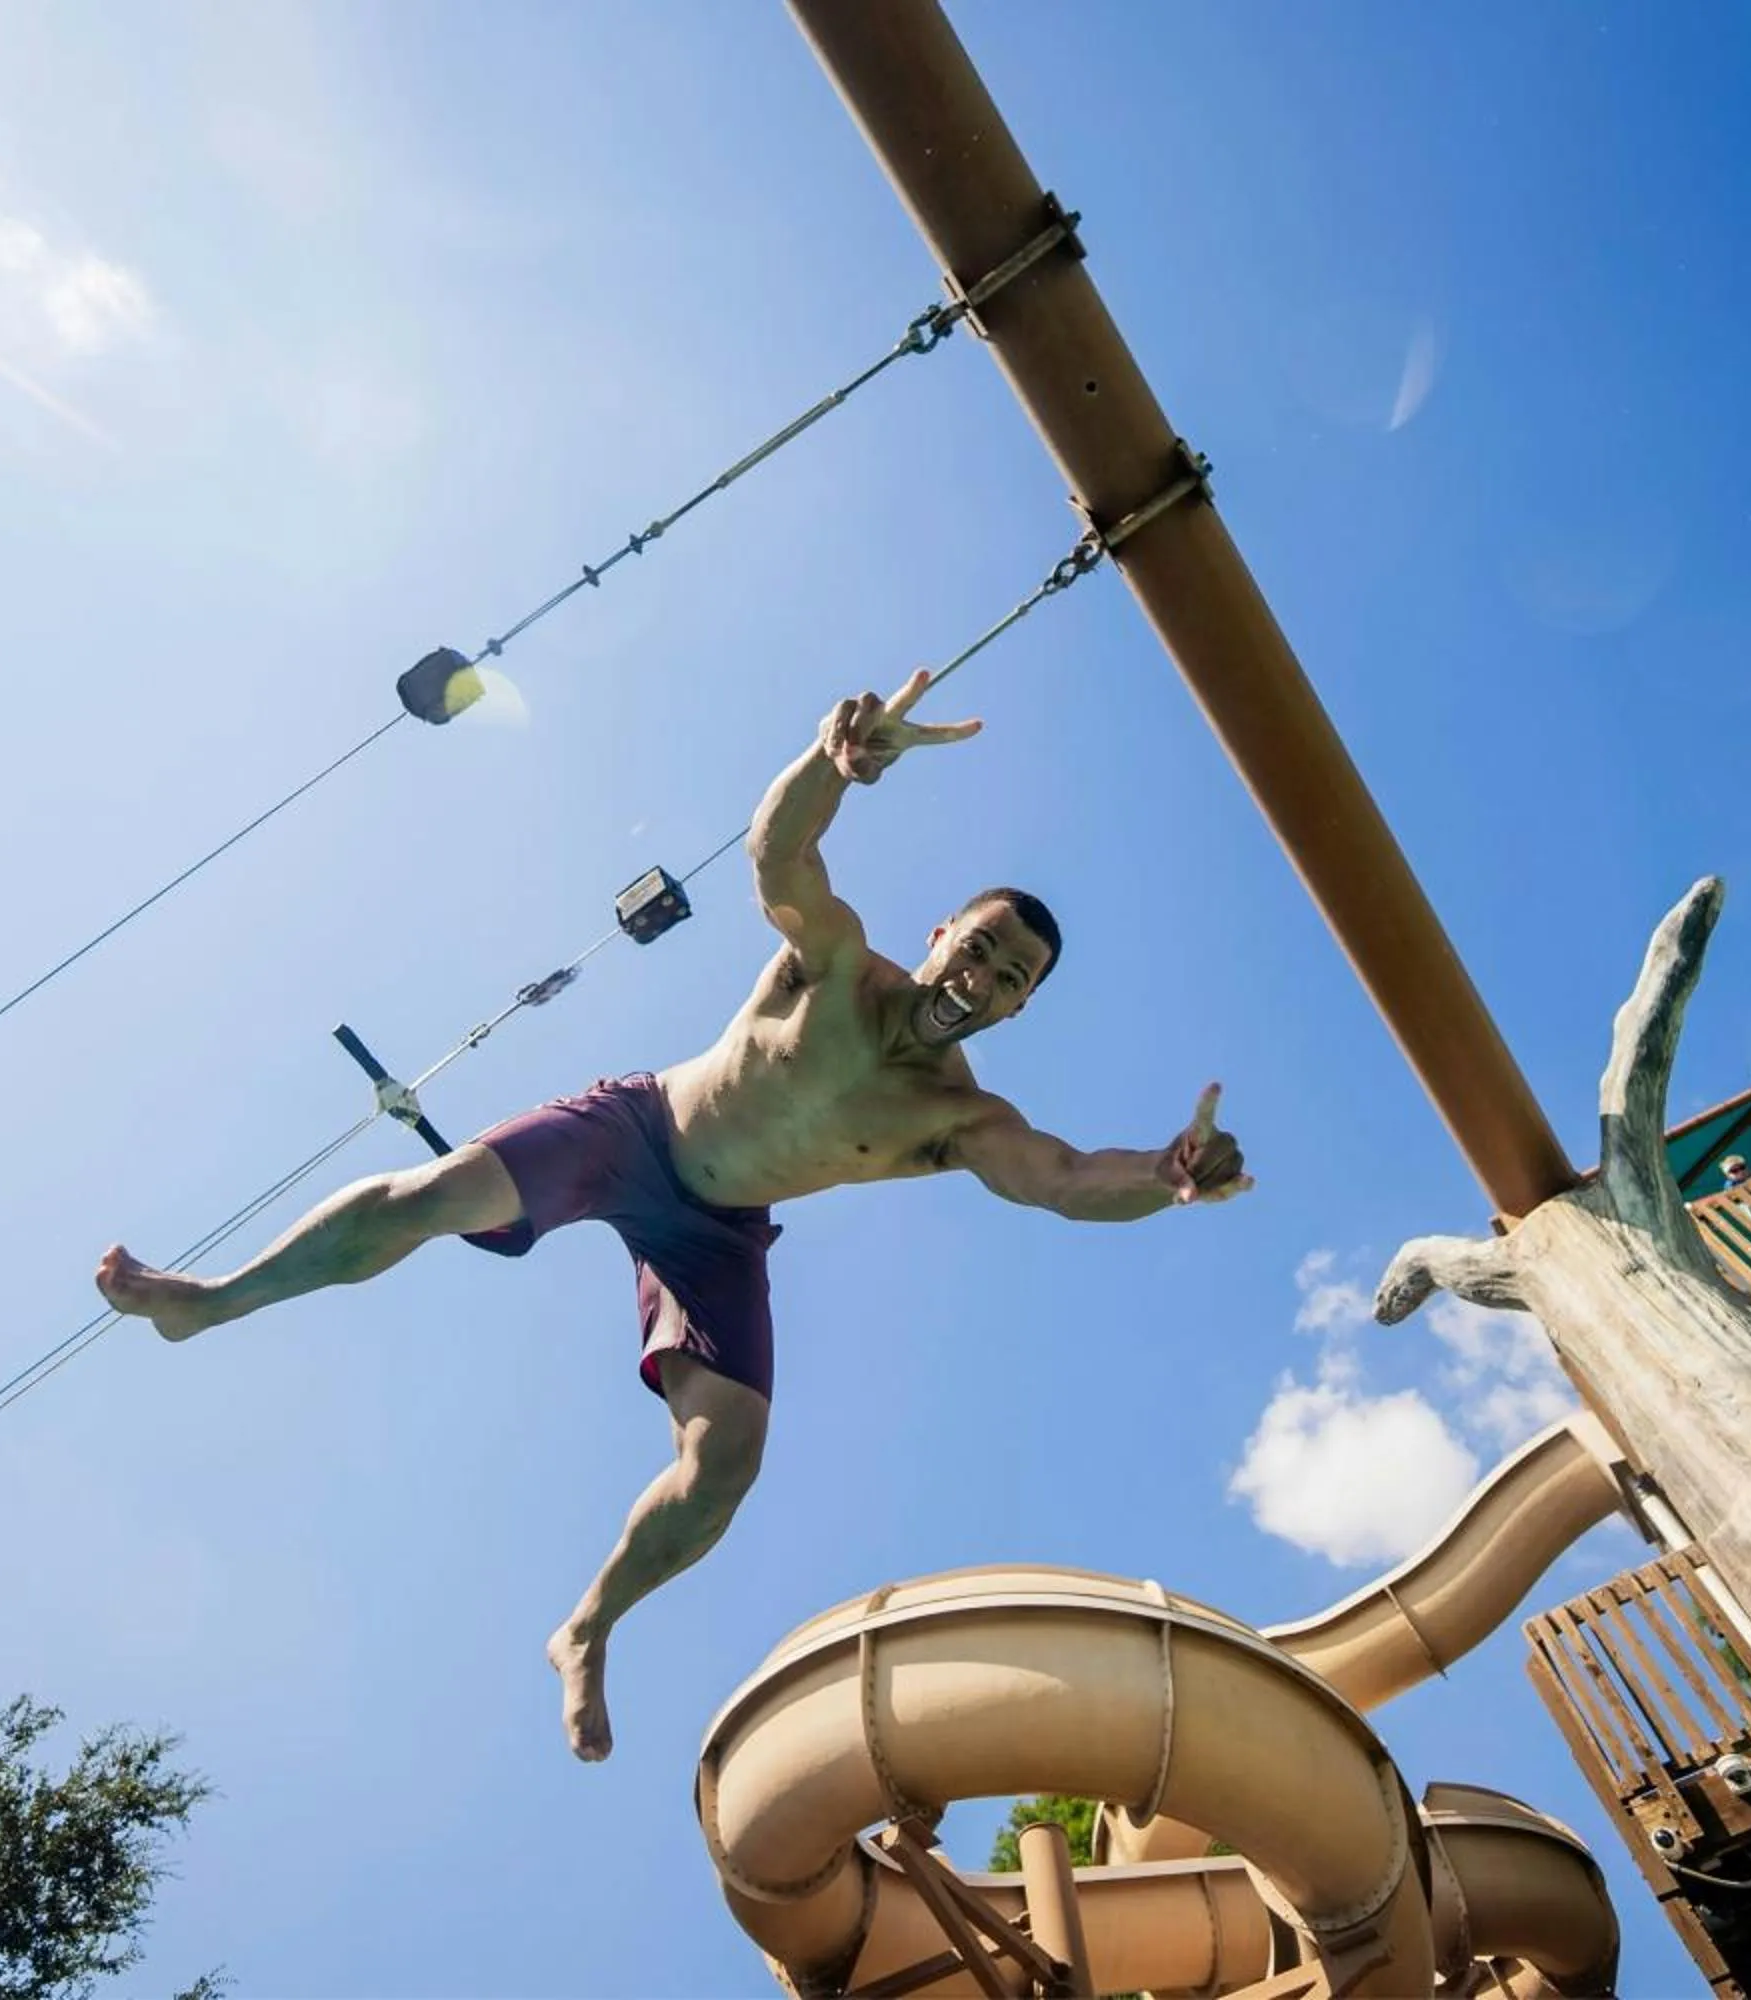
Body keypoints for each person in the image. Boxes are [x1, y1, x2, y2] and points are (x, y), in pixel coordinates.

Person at [94, 670, 1251, 1761]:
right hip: (636, 1132)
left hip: (721, 1230)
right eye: (982, 944)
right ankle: (210, 1299)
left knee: (726, 1462)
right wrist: (831, 759)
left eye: (1012, 976)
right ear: (945, 929)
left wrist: (1165, 1168)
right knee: (432, 1197)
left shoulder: (961, 1114)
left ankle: (588, 1624)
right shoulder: (841, 965)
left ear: (1021, 1005)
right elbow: (779, 852)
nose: (984, 974)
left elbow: (1060, 1178)